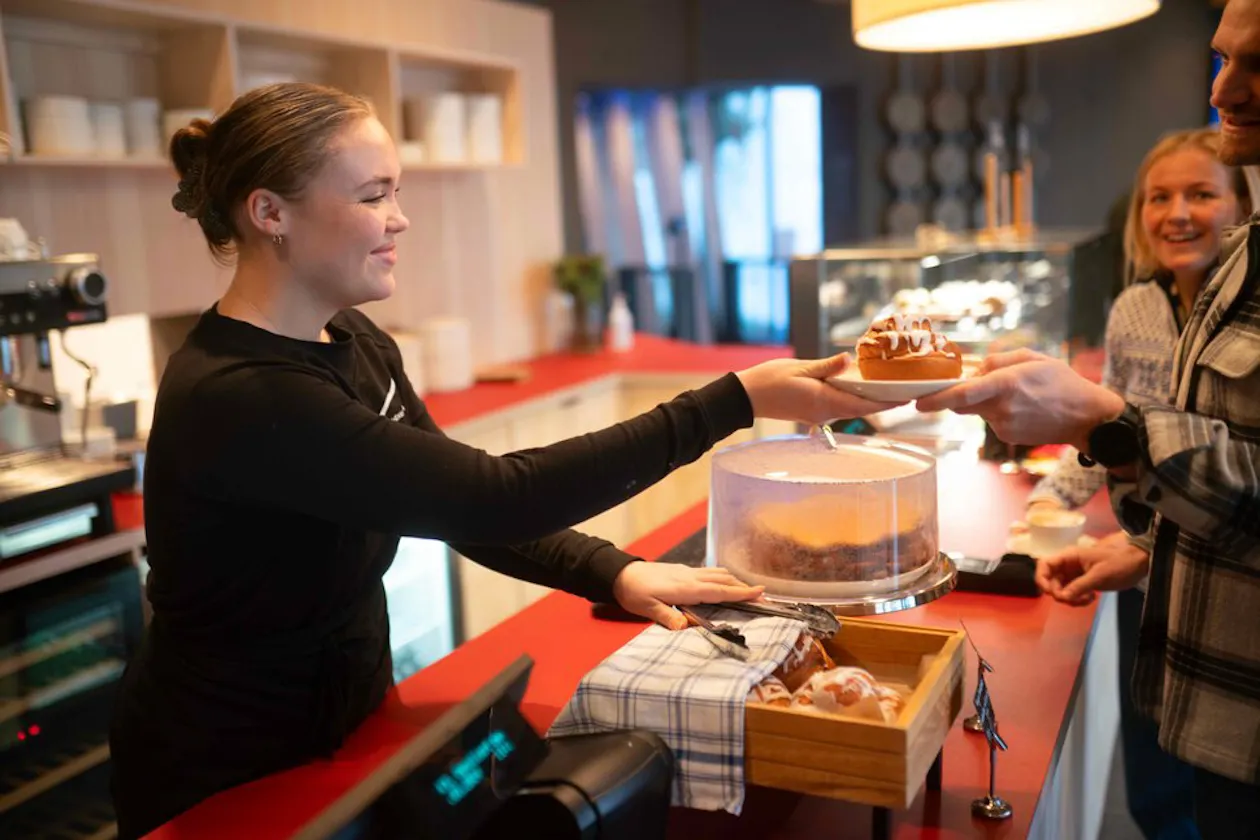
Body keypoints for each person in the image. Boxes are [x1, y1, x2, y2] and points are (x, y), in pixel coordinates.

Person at [108, 82, 900, 838]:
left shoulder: (352, 338)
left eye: (396, 192)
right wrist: (733, 402)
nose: (399, 219)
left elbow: (452, 500)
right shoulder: (240, 394)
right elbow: (493, 497)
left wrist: (611, 572)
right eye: (373, 195)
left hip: (353, 725)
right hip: (229, 772)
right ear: (270, 212)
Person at [917, 2, 1260, 836]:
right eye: (1223, 61)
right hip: (1196, 651)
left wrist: (1103, 420)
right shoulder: (1203, 281)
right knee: (1159, 802)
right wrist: (1142, 550)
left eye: (1258, 64)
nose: (1224, 90)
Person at [1025, 127, 1249, 840]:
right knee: (1155, 787)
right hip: (1148, 565)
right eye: (1159, 197)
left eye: (1201, 194)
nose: (1176, 213)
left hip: (1228, 583)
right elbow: (1117, 427)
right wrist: (1048, 497)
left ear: (1243, 206)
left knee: (1220, 793)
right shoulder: (1134, 308)